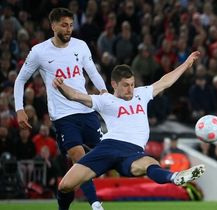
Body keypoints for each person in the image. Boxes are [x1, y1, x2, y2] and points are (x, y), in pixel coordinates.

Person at [52, 51, 205, 204]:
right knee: (65, 186)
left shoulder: (142, 94)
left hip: (132, 151)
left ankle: (175, 177)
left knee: (150, 163)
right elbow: (76, 96)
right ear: (114, 84)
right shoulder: (105, 100)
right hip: (107, 148)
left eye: (132, 84)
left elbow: (165, 81)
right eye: (125, 85)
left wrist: (186, 64)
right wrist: (61, 85)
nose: (130, 89)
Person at [13, 8, 107, 210]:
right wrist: (19, 108)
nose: (69, 29)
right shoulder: (39, 51)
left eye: (71, 25)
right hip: (63, 117)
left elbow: (92, 71)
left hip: (86, 110)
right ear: (53, 25)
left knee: (104, 155)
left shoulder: (80, 46)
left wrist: (104, 91)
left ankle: (63, 200)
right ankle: (95, 204)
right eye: (64, 25)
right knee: (78, 156)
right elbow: (20, 80)